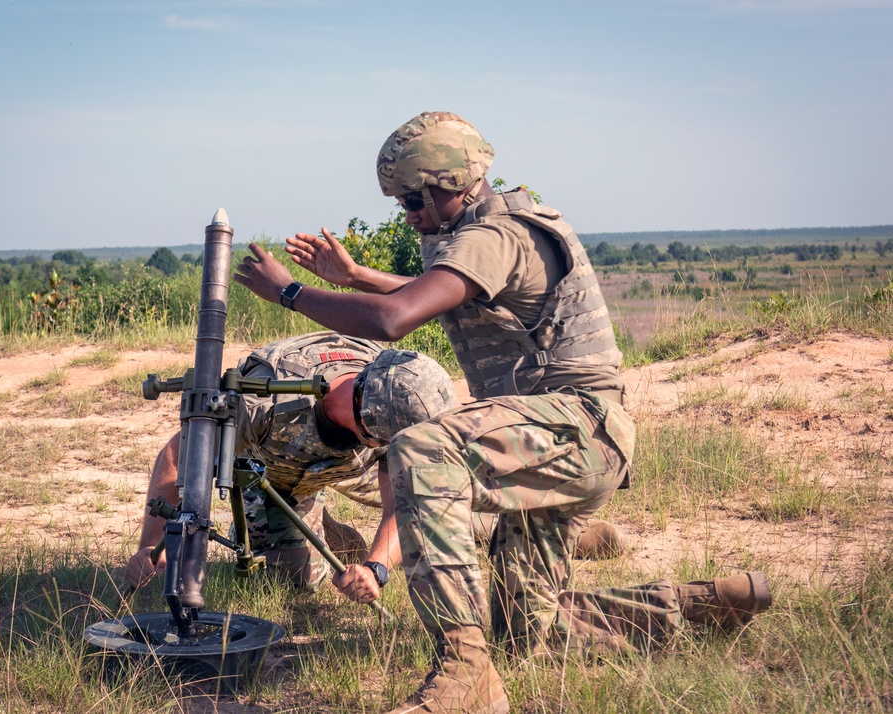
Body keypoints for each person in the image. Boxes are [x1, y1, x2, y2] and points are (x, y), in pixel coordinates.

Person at [234, 113, 772, 713]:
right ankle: (703, 607)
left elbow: (394, 319)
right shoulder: (491, 231)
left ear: (453, 184)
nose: (408, 212)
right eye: (401, 199)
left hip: (576, 427)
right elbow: (439, 289)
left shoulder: (496, 235)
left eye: (415, 197)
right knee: (523, 636)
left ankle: (465, 679)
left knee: (421, 449)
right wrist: (357, 276)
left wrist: (288, 293)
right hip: (559, 439)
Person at [125, 331, 458, 606]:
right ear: (371, 428)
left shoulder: (395, 393)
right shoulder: (263, 403)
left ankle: (324, 527)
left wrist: (376, 569)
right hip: (273, 472)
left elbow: (403, 505)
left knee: (446, 508)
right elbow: (177, 454)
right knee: (296, 582)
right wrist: (151, 547)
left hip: (348, 465)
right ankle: (317, 527)